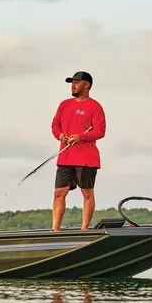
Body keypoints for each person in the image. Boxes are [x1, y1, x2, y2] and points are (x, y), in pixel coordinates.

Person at [50, 71, 106, 231]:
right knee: (59, 192)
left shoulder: (94, 106)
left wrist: (80, 137)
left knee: (87, 192)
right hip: (65, 156)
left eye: (76, 82)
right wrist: (59, 135)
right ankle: (55, 229)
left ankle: (84, 229)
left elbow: (100, 131)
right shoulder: (64, 104)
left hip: (87, 157)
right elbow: (55, 125)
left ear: (86, 85)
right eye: (71, 82)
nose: (72, 85)